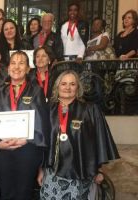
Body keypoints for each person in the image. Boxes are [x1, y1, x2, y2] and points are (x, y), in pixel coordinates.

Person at [38, 70, 120, 199]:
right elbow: (43, 142)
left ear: (78, 87)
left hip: (81, 172)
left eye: (72, 84)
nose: (68, 87)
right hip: (53, 173)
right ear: (57, 86)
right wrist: (41, 170)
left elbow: (99, 142)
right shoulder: (48, 109)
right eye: (64, 83)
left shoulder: (91, 109)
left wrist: (98, 170)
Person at [0, 51, 49, 200]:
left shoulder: (36, 91)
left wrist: (26, 139)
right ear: (8, 69)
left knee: (23, 192)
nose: (16, 67)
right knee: (6, 192)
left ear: (28, 69)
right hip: (2, 152)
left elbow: (42, 122)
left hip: (27, 150)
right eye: (13, 63)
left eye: (21, 63)